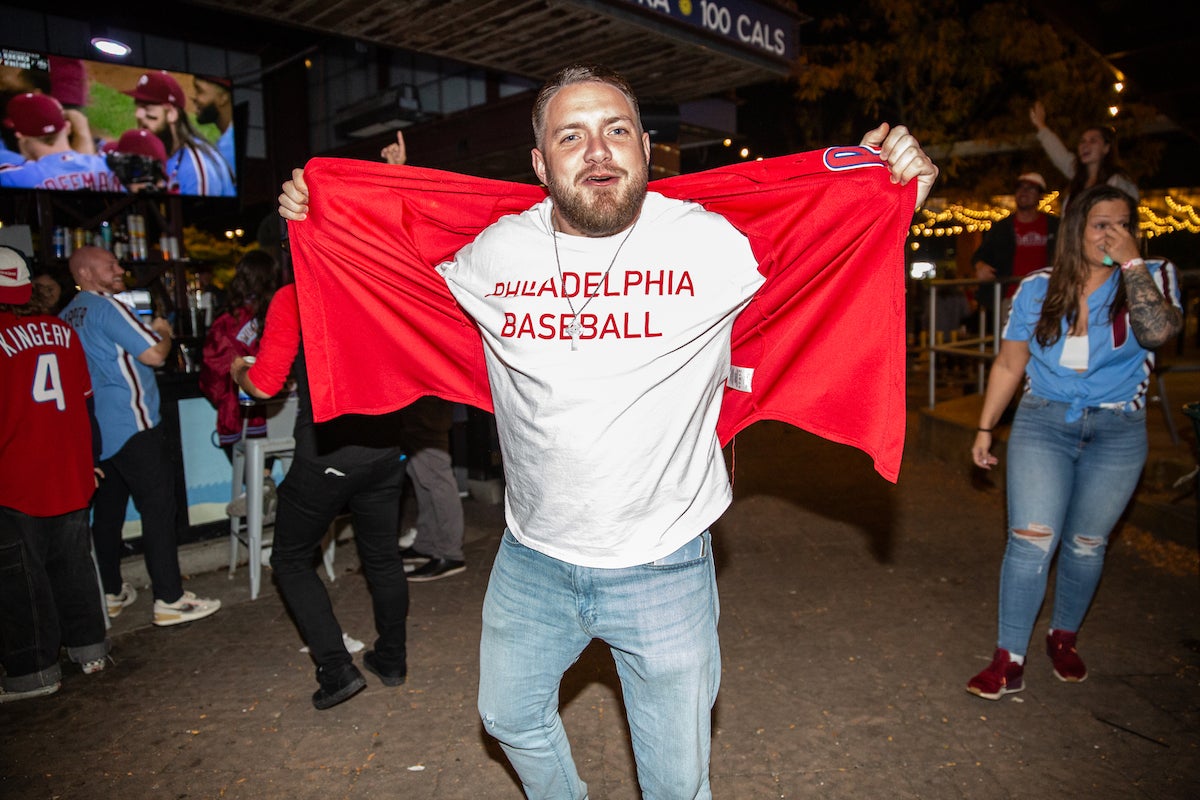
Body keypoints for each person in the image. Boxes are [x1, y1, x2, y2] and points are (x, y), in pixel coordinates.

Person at [280, 63, 938, 796]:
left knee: (676, 785)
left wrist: (894, 192)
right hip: (532, 560)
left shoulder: (713, 243)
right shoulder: (494, 253)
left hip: (664, 565)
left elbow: (832, 250)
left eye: (616, 130)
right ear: (539, 163)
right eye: (571, 135)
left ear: (645, 149)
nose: (598, 151)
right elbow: (388, 275)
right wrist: (324, 209)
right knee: (508, 716)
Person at [967, 184, 1182, 701]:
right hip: (1043, 422)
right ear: (1075, 230)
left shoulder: (1153, 277)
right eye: (1100, 223)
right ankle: (1008, 657)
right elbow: (1010, 362)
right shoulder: (1038, 288)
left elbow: (1160, 335)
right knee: (1030, 539)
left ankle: (1063, 638)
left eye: (1124, 223)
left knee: (1086, 545)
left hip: (1118, 430)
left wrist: (1132, 267)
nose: (1113, 233)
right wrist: (985, 427)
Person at [231, 283, 410, 710]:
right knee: (382, 556)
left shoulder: (296, 292)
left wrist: (239, 370)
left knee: (290, 559)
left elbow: (264, 384)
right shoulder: (384, 277)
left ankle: (336, 669)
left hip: (330, 448)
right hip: (388, 445)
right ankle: (391, 659)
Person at [59, 246, 221, 627]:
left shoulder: (66, 315)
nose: (119, 268)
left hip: (98, 430)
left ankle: (110, 593)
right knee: (159, 510)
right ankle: (169, 598)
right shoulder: (106, 306)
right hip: (135, 424)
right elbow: (153, 355)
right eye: (109, 264)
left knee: (108, 514)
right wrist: (162, 332)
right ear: (84, 271)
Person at [0, 245, 110, 703]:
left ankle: (33, 673)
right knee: (72, 566)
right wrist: (92, 460)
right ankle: (90, 650)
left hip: (15, 476)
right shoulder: (60, 329)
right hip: (69, 470)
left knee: (21, 578)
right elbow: (87, 403)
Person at [199, 250, 279, 458]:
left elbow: (212, 376)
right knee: (264, 483)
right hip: (280, 416)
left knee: (253, 485)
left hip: (237, 417)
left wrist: (226, 399)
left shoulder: (226, 322)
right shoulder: (282, 314)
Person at [125, 71, 234, 197]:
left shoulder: (195, 168)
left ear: (171, 114)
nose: (138, 115)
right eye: (137, 106)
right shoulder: (154, 154)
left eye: (147, 108)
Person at [972, 172, 1060, 321]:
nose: (1024, 192)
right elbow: (980, 255)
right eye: (1020, 188)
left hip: (1047, 299)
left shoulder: (1055, 225)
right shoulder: (1002, 227)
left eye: (1031, 188)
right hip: (1011, 299)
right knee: (1011, 343)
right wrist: (980, 266)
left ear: (1040, 195)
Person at [398, 397, 466, 581]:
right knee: (420, 475)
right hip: (417, 402)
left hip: (425, 401)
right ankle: (426, 545)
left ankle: (450, 555)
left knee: (437, 478)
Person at [1030, 101, 1138, 212]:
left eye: (1093, 141)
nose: (1085, 145)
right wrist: (1041, 126)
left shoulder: (1118, 183)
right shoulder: (1078, 176)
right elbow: (1060, 155)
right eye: (1082, 141)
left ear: (1106, 148)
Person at [0, 93, 120, 191]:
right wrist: (82, 131)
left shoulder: (12, 178)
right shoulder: (111, 166)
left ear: (19, 135)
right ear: (67, 127)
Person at [192, 75, 235, 178]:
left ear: (223, 98)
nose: (195, 98)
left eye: (199, 91)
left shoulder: (228, 146)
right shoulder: (226, 140)